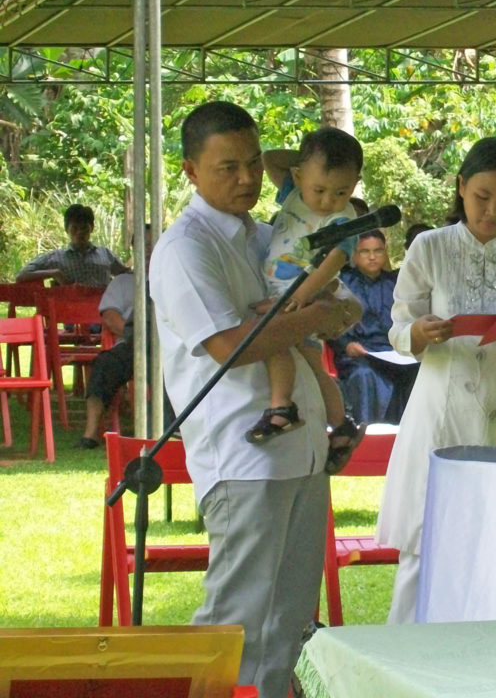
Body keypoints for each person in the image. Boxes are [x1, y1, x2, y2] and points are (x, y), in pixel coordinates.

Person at [150, 101, 361, 698]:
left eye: (250, 164)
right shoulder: (186, 247)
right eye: (225, 168)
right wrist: (315, 315)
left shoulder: (271, 234)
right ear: (191, 171)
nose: (244, 178)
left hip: (302, 450)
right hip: (242, 453)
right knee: (234, 623)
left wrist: (327, 311)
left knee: (290, 623)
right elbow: (228, 345)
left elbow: (344, 308)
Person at [376, 137, 496, 623]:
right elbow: (399, 324)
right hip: (440, 409)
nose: (493, 211)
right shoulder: (430, 247)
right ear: (461, 187)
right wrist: (420, 332)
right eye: (483, 197)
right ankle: (405, 653)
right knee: (426, 542)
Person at [250, 127, 364, 443]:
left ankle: (281, 407)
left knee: (274, 343)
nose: (329, 200)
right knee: (312, 363)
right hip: (282, 291)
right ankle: (341, 426)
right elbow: (269, 158)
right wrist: (308, 158)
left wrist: (302, 294)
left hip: (303, 294)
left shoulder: (343, 218)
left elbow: (334, 261)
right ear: (298, 177)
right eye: (320, 189)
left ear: (354, 185)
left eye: (341, 191)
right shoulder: (293, 193)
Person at [330, 229, 418, 424]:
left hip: (392, 352)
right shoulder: (341, 283)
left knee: (419, 371)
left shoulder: (396, 283)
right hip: (358, 353)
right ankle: (365, 432)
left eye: (377, 251)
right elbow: (328, 323)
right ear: (354, 254)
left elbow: (407, 319)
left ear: (385, 253)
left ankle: (407, 433)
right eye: (365, 252)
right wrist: (346, 345)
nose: (372, 257)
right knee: (364, 375)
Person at [78, 225, 154, 450]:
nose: (148, 250)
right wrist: (136, 337)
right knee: (103, 365)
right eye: (143, 246)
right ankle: (91, 434)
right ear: (133, 249)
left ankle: (166, 426)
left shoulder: (175, 277)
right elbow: (110, 317)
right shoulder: (121, 282)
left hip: (169, 346)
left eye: (153, 244)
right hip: (132, 344)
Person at [16, 204, 129, 287]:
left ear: (92, 228)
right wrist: (54, 273)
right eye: (75, 228)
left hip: (104, 312)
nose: (80, 232)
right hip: (70, 313)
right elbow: (22, 275)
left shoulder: (105, 254)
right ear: (67, 229)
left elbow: (127, 274)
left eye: (84, 228)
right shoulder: (56, 257)